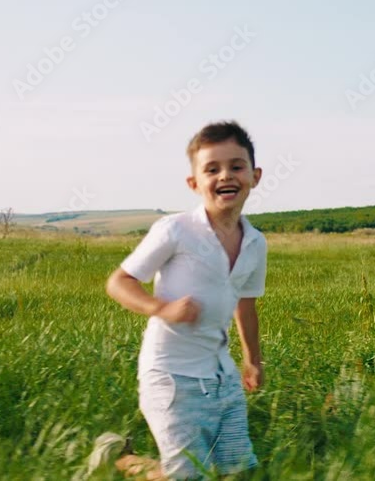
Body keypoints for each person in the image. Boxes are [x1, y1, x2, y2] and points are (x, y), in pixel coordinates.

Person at [88, 121, 267, 479]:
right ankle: (121, 459)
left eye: (236, 166)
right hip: (171, 377)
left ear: (255, 175)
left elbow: (245, 304)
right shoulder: (175, 230)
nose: (225, 176)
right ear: (194, 183)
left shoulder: (255, 242)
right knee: (187, 477)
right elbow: (119, 282)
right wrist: (162, 308)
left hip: (222, 378)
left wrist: (253, 361)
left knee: (240, 472)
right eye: (211, 169)